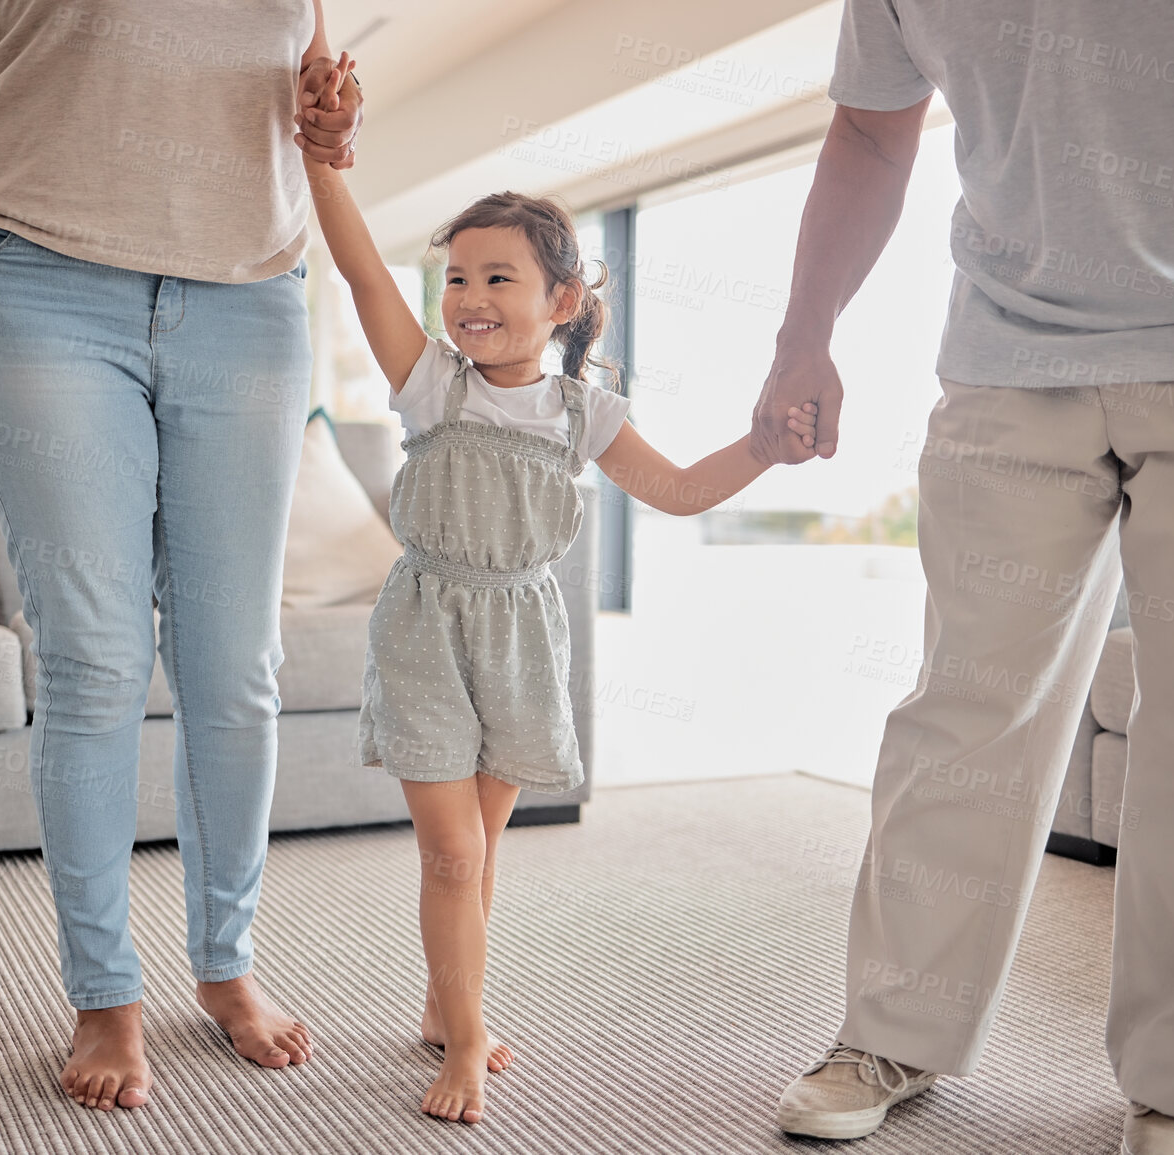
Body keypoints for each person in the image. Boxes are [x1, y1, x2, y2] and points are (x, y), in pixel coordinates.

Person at [752, 3, 1174, 1152]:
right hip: (1010, 354)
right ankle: (895, 1029)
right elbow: (872, 134)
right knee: (964, 711)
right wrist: (805, 334)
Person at [298, 55, 798, 1124]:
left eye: (498, 278)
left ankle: (447, 1003)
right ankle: (470, 1039)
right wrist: (324, 163)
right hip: (430, 625)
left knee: (480, 853)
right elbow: (361, 279)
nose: (469, 299)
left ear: (562, 300)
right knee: (450, 849)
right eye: (460, 278)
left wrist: (760, 448)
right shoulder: (432, 382)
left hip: (524, 633)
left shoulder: (586, 412)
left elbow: (674, 489)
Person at [0, 2, 362, 1112]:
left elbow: (301, 81)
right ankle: (105, 993)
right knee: (97, 658)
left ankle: (225, 966)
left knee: (237, 670)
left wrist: (329, 114)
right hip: (34, 268)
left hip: (248, 288)